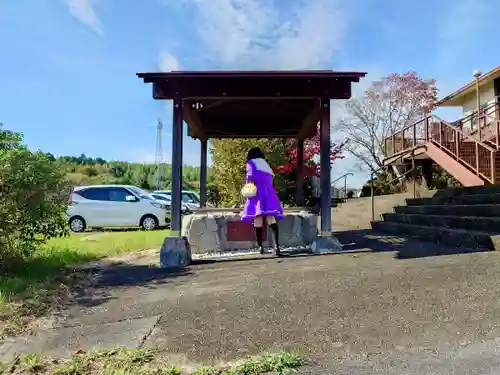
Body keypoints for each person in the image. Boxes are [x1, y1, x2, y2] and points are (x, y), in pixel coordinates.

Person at [242, 147, 284, 255]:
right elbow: (271, 180)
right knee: (271, 218)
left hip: (258, 192)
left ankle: (260, 247)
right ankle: (277, 247)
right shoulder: (266, 165)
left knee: (258, 218)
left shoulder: (251, 163)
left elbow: (250, 178)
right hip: (270, 192)